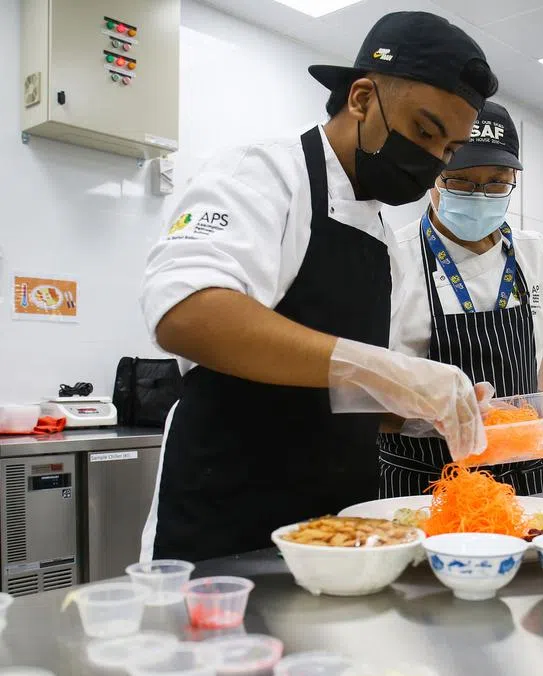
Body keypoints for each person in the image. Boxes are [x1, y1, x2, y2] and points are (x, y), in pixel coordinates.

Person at [138, 12, 498, 562]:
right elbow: (186, 313)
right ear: (361, 98)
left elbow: (328, 386)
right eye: (425, 132)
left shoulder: (380, 232)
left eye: (448, 150)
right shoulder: (263, 172)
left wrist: (415, 408)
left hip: (338, 532)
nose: (432, 160)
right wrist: (381, 369)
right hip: (226, 523)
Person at [381, 101, 543, 497]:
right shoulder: (392, 258)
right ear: (433, 175)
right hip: (425, 480)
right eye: (460, 181)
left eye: (496, 182)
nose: (480, 195)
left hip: (526, 475)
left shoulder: (536, 253)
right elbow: (354, 387)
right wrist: (430, 415)